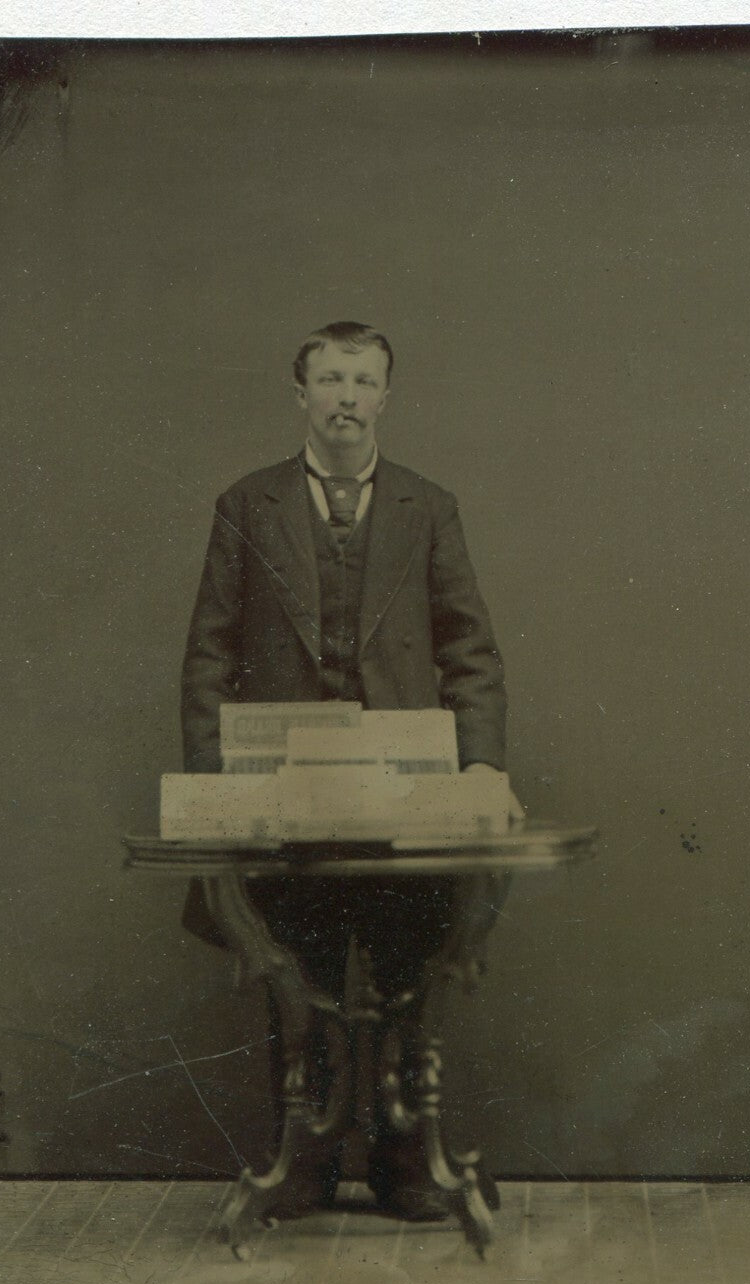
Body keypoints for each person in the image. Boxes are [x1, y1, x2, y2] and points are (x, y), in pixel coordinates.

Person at [181, 321, 511, 1219]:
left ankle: (408, 1169)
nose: (346, 399)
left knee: (407, 969)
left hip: (405, 789)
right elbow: (209, 655)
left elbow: (470, 652)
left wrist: (481, 767)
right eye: (330, 379)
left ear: (386, 395)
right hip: (287, 788)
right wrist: (211, 785)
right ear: (301, 395)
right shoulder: (247, 507)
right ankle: (308, 1167)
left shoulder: (426, 507)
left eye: (363, 381)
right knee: (301, 976)